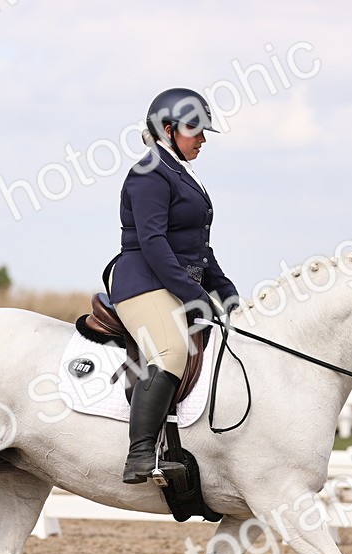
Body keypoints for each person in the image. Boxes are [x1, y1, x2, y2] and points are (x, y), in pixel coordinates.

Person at [107, 87, 242, 484]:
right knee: (171, 349)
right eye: (195, 130)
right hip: (142, 280)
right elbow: (154, 243)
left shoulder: (182, 174)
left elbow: (198, 247)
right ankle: (140, 453)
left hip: (173, 280)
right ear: (167, 130)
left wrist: (225, 290)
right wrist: (195, 295)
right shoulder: (149, 173)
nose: (202, 139)